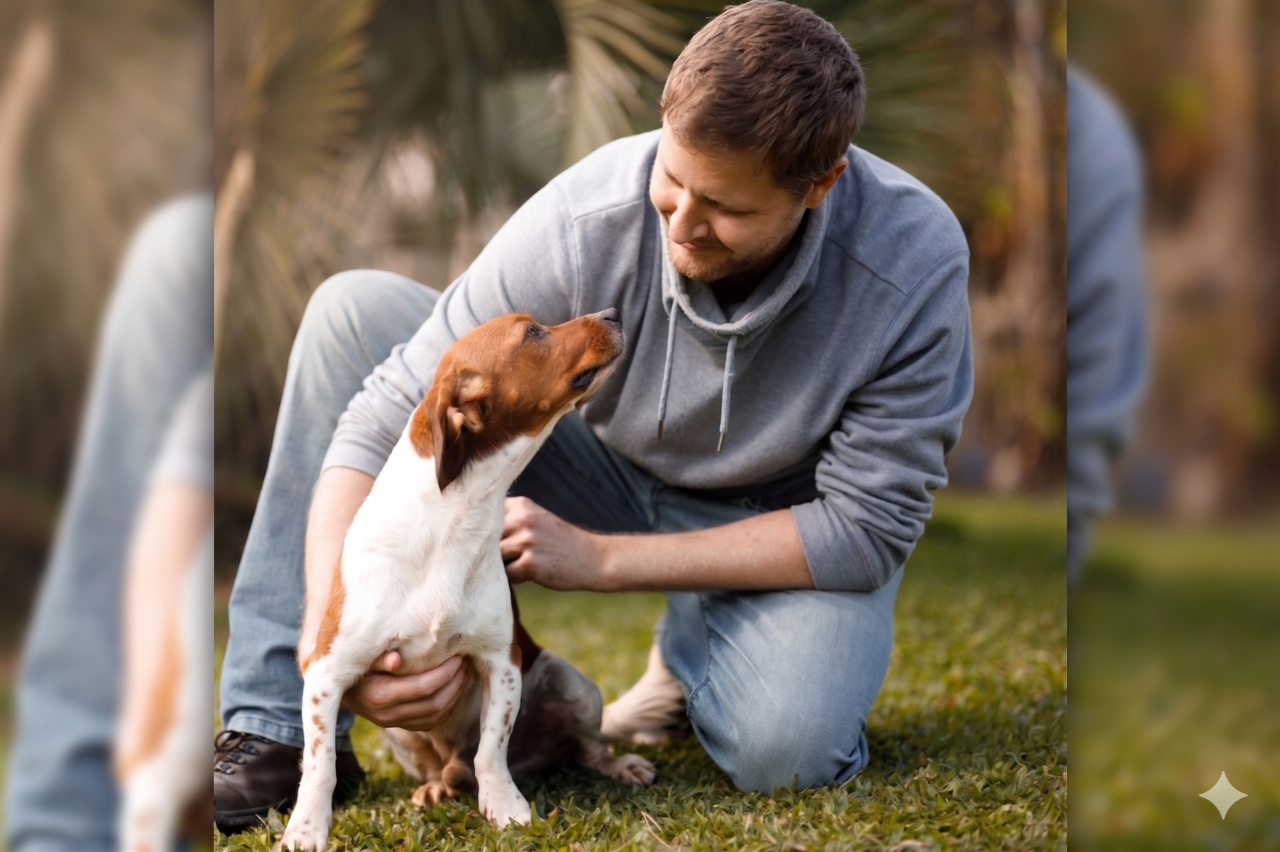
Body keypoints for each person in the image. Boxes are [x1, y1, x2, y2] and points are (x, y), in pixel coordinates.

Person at [214, 0, 973, 831]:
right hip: (597, 460)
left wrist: (604, 559)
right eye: (674, 181)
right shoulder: (590, 212)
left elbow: (864, 531)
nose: (681, 224)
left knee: (785, 751)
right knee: (351, 313)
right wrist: (334, 623)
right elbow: (381, 413)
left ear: (821, 185)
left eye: (727, 208)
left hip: (776, 516)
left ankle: (705, 652)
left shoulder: (912, 263)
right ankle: (270, 728)